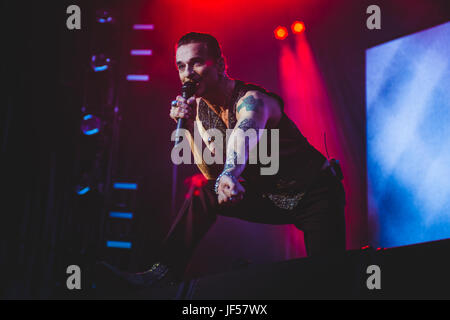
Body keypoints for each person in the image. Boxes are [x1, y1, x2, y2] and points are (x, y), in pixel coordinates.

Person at [98, 32, 346, 291]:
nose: (187, 73)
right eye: (181, 66)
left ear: (219, 65)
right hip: (270, 197)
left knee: (326, 281)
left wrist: (229, 173)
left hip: (314, 194)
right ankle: (163, 272)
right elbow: (210, 173)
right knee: (204, 192)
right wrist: (191, 127)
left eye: (196, 62)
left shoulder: (253, 100)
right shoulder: (202, 109)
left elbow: (244, 134)